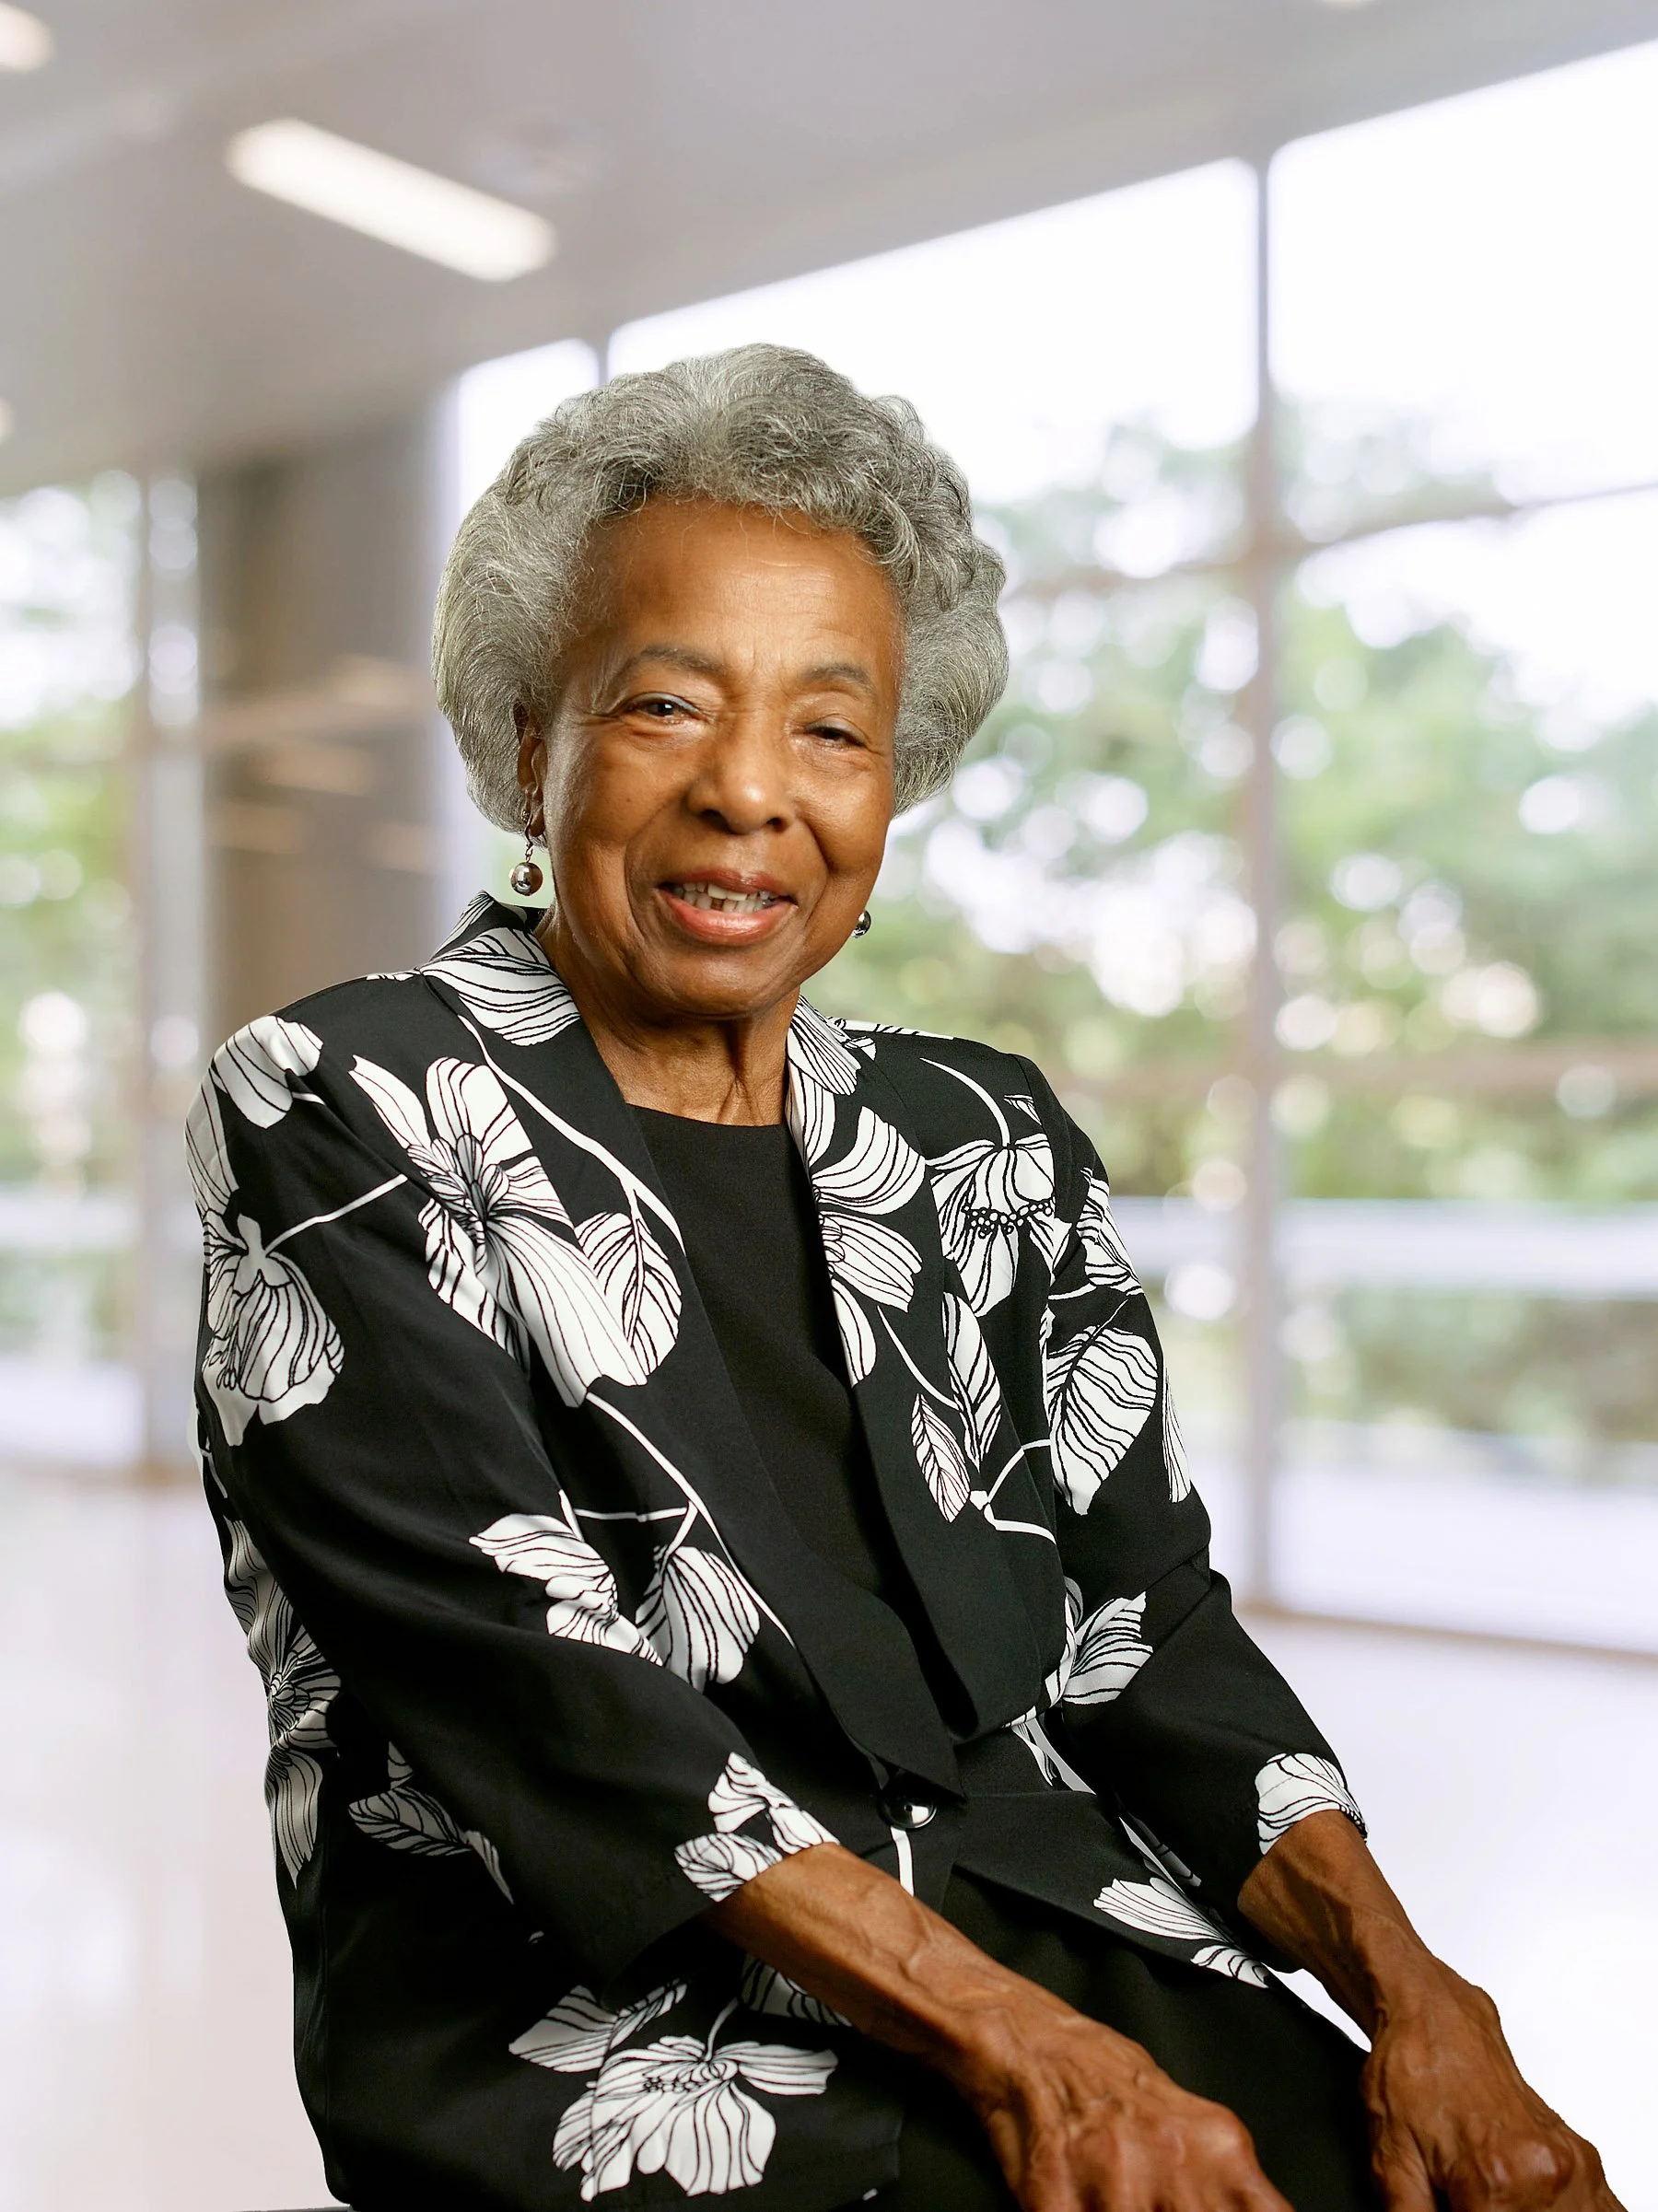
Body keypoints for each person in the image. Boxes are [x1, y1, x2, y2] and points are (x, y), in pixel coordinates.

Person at [189, 344, 1619, 2212]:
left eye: (830, 731)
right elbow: (535, 1690)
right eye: (665, 706)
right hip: (620, 2007)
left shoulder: (979, 1133)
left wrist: (1426, 1998)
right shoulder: (343, 1094)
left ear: (895, 783)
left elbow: (1144, 1629)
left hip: (1050, 1914)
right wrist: (1044, 2061)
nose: (747, 793)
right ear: (532, 742)